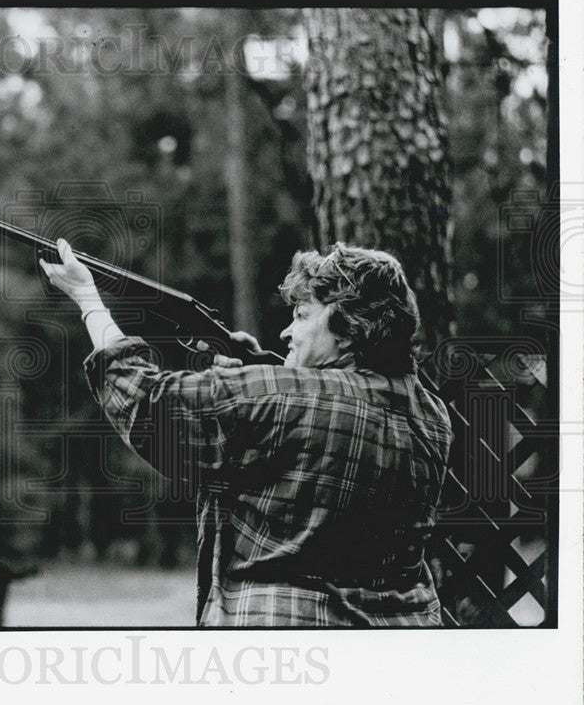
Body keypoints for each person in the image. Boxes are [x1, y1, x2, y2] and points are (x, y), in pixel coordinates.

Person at [40, 239, 454, 627]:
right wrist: (262, 369)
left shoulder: (280, 393)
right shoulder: (432, 416)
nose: (287, 332)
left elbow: (146, 400)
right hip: (402, 643)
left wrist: (88, 300)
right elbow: (333, 413)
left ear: (349, 327)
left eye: (303, 315)